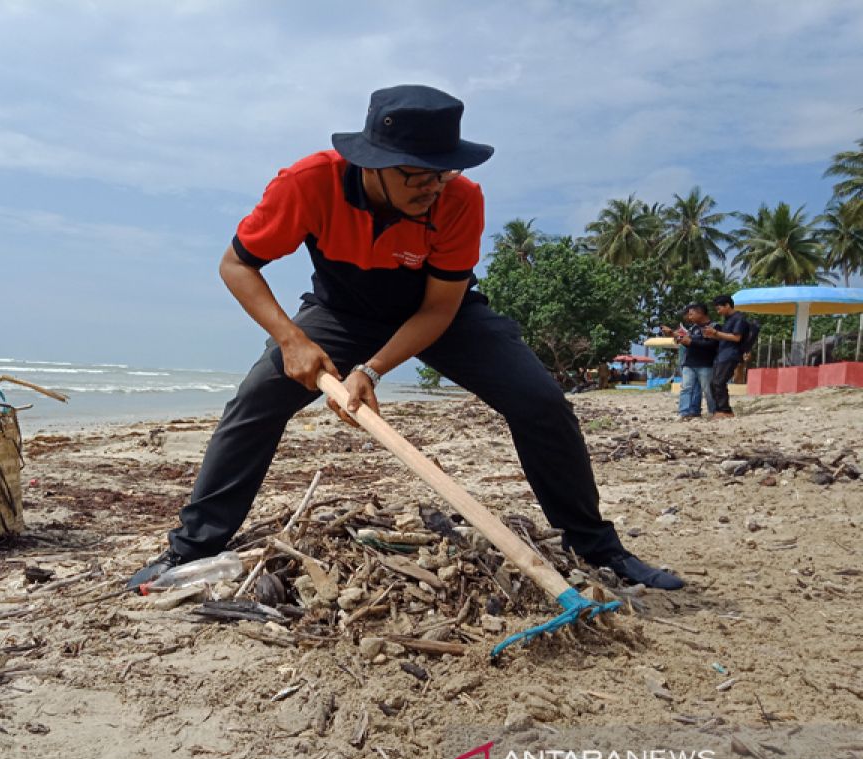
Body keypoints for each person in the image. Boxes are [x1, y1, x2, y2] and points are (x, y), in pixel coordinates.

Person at [127, 85, 683, 591]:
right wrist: (291, 339)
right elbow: (236, 266)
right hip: (340, 313)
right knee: (254, 403)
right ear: (375, 163)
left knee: (541, 403)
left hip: (442, 315)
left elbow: (440, 307)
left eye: (442, 173)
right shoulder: (309, 183)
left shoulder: (461, 200)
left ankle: (598, 548)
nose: (433, 188)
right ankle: (189, 550)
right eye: (418, 175)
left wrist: (371, 371)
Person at [663, 303, 717, 419]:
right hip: (689, 363)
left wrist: (691, 342)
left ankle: (713, 412)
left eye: (691, 314)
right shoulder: (694, 328)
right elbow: (686, 341)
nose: (689, 317)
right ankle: (684, 412)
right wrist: (672, 334)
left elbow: (712, 345)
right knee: (686, 388)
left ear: (700, 313)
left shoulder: (714, 327)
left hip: (705, 364)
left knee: (708, 390)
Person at [703, 294, 749, 418]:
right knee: (714, 382)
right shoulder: (728, 319)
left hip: (731, 354)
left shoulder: (739, 318)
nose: (718, 312)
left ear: (727, 305)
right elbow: (725, 336)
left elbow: (736, 337)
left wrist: (716, 332)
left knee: (719, 381)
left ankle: (725, 411)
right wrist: (713, 335)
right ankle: (720, 409)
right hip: (722, 354)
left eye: (719, 308)